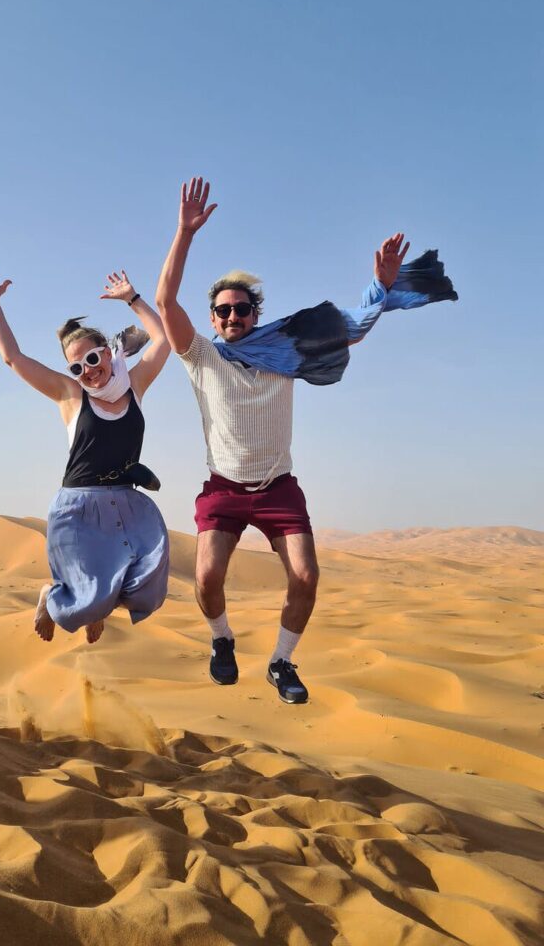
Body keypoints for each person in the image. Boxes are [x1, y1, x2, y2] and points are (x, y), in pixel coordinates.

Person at [155, 177, 457, 704]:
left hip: (278, 488)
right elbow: (164, 300)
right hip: (224, 486)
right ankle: (222, 642)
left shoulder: (284, 350)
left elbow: (352, 330)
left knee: (306, 576)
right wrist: (184, 233)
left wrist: (380, 286)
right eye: (223, 310)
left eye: (241, 309)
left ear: (256, 314)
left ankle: (280, 662)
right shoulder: (200, 357)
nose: (232, 317)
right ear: (212, 319)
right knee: (205, 578)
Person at [0, 259, 171, 644]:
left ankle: (99, 606)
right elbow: (14, 358)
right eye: (77, 367)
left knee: (149, 590)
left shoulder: (135, 386)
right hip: (79, 507)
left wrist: (133, 299)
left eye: (93, 359)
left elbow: (161, 341)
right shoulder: (71, 395)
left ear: (108, 354)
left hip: (128, 505)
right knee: (83, 605)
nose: (89, 371)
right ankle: (53, 597)